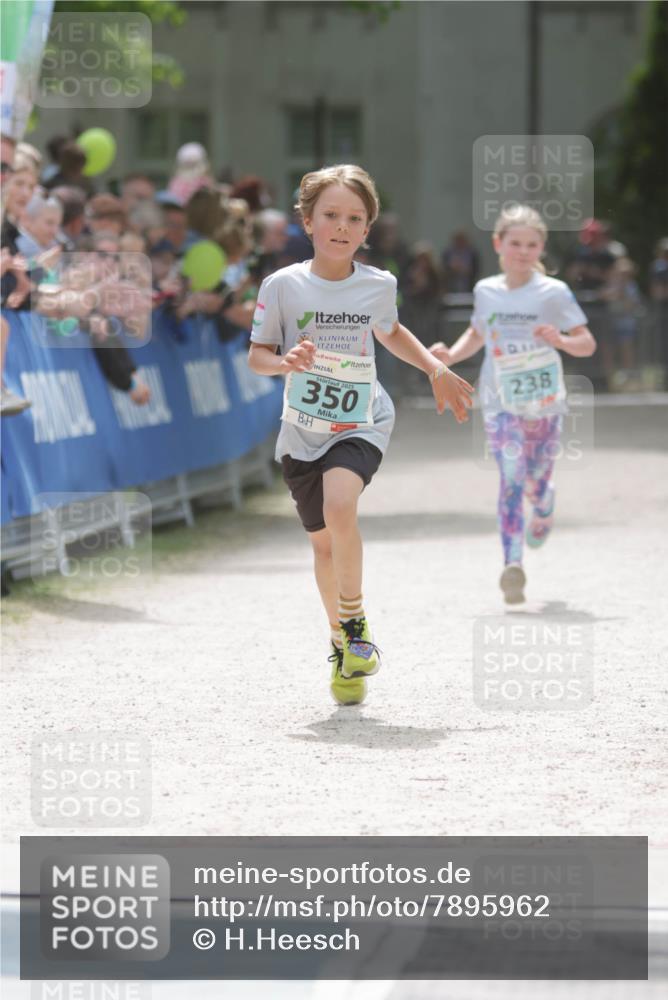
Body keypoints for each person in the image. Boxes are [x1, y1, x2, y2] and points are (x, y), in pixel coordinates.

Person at [248, 164, 473, 705]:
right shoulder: (282, 286)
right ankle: (341, 646)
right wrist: (286, 363)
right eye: (331, 215)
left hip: (361, 418)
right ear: (307, 221)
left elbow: (390, 332)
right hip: (302, 431)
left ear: (367, 229)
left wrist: (434, 369)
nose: (343, 227)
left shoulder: (378, 284)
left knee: (341, 506)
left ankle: (354, 627)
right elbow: (257, 357)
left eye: (355, 218)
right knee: (323, 548)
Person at [431, 204, 596, 604]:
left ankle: (544, 502)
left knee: (535, 480)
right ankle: (513, 565)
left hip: (542, 400)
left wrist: (559, 340)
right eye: (515, 243)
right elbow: (477, 333)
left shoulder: (554, 292)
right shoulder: (486, 289)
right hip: (499, 399)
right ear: (498, 244)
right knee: (510, 475)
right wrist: (450, 355)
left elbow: (586, 343)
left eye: (532, 244)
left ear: (541, 248)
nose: (523, 251)